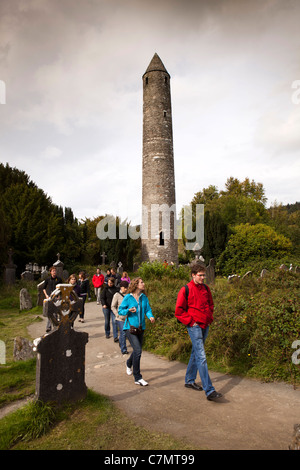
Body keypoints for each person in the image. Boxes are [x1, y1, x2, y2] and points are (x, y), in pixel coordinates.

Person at [175, 261, 222, 401]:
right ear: (193, 275)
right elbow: (179, 311)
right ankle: (209, 390)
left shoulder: (206, 288)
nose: (203, 278)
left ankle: (189, 380)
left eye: (204, 275)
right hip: (194, 326)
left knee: (196, 353)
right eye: (200, 275)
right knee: (202, 357)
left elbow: (210, 304)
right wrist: (191, 322)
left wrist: (210, 317)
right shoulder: (185, 289)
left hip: (205, 324)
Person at [118, 277, 155, 386]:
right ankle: (138, 377)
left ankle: (128, 363)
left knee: (136, 350)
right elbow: (120, 310)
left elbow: (147, 309)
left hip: (141, 327)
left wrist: (150, 316)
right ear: (136, 285)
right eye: (141, 282)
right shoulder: (128, 298)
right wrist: (128, 310)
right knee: (138, 350)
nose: (144, 284)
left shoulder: (144, 297)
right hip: (129, 328)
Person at [111, 280, 129, 354]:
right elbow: (113, 306)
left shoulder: (129, 295)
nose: (126, 289)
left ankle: (121, 342)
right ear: (121, 287)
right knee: (123, 333)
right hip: (120, 318)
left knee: (125, 334)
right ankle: (123, 349)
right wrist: (117, 315)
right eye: (125, 288)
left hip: (128, 317)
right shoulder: (117, 295)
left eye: (127, 287)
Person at [43, 266, 62, 332]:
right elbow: (44, 288)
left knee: (56, 312)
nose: (54, 272)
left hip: (56, 297)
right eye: (53, 271)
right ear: (50, 272)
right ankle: (49, 327)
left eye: (55, 271)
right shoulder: (47, 279)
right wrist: (46, 295)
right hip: (50, 297)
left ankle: (55, 326)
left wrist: (59, 296)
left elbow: (61, 288)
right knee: (50, 312)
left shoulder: (59, 279)